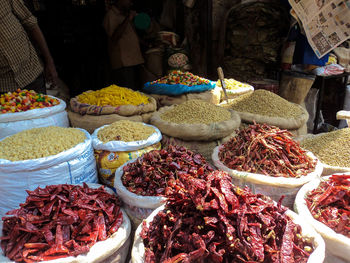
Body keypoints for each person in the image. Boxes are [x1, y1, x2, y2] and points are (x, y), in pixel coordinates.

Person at [0, 0, 58, 94]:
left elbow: (30, 22)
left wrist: (49, 62)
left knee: (43, 107)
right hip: (4, 86)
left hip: (31, 73)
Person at [103, 0, 144, 91]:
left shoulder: (124, 15)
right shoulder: (111, 15)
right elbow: (114, 37)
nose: (131, 3)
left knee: (136, 92)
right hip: (123, 63)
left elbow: (132, 35)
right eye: (128, 0)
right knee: (128, 92)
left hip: (134, 60)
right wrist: (128, 18)